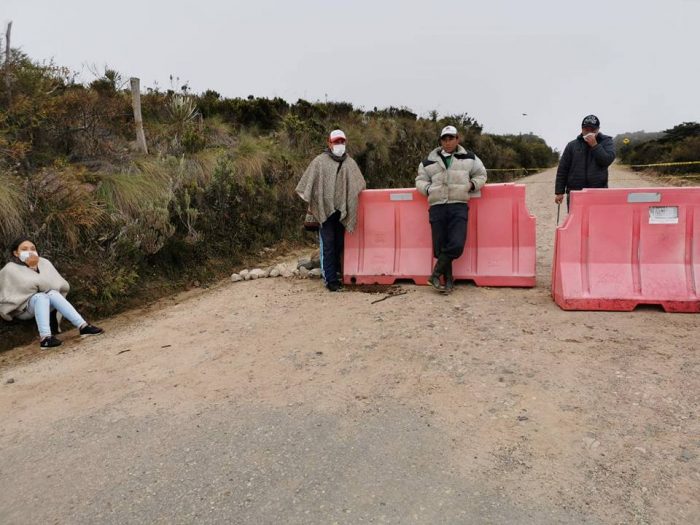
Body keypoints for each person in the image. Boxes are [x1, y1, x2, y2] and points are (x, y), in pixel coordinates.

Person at [416, 125, 487, 292]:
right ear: (440, 141)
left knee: (457, 244)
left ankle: (435, 274)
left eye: (451, 138)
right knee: (440, 247)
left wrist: (471, 185)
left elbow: (481, 174)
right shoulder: (428, 161)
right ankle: (448, 281)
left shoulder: (470, 158)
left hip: (458, 205)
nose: (447, 142)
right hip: (437, 206)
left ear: (457, 139)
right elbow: (420, 180)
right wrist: (428, 189)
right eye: (444, 139)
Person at [0, 238, 104, 348]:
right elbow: (24, 288)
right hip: (22, 308)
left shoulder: (44, 263)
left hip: (47, 302)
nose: (30, 251)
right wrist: (33, 269)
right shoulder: (10, 269)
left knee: (52, 293)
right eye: (24, 249)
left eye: (33, 249)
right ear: (16, 253)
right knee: (40, 296)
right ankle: (45, 338)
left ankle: (83, 326)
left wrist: (35, 271)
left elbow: (58, 284)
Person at [295, 129, 366, 291]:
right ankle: (330, 281)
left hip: (341, 211)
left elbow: (359, 184)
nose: (339, 144)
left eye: (342, 141)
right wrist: (316, 200)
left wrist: (348, 197)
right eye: (336, 142)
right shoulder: (320, 162)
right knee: (328, 245)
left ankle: (336, 273)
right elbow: (307, 184)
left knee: (339, 244)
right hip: (325, 211)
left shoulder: (350, 163)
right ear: (329, 143)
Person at [555, 114, 616, 209]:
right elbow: (563, 169)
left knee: (597, 218)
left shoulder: (606, 142)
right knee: (576, 218)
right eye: (586, 129)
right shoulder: (572, 145)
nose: (589, 132)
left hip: (598, 192)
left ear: (598, 129)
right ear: (582, 129)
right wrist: (559, 192)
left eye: (593, 130)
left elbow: (607, 160)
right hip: (575, 193)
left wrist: (595, 145)